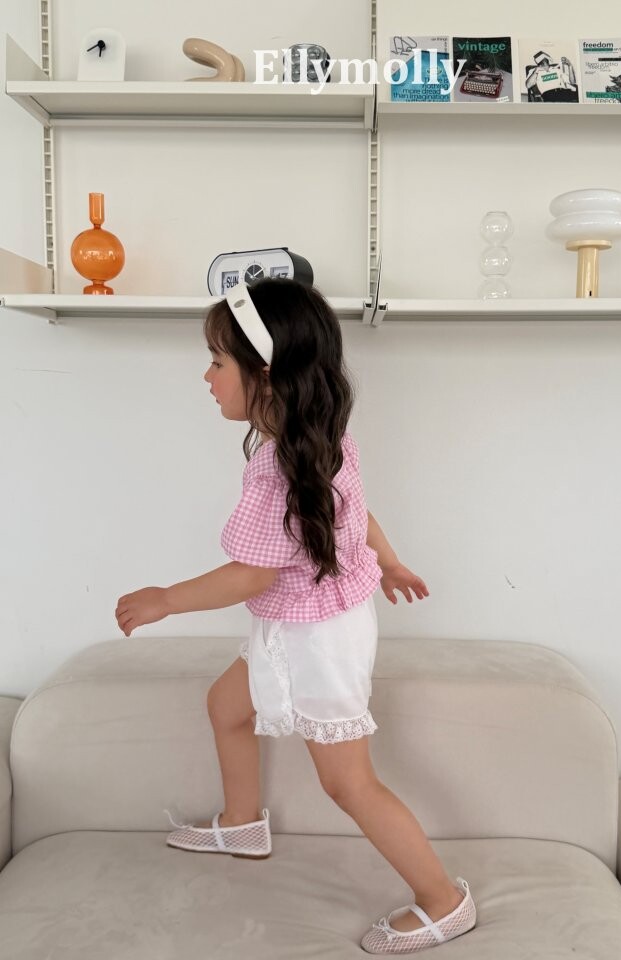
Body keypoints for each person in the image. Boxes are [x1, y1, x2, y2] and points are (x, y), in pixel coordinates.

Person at [114, 278, 477, 954]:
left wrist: (166, 598)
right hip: (303, 620)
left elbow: (252, 573)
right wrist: (389, 561)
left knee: (348, 782)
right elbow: (354, 514)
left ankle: (443, 900)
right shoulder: (319, 442)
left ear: (265, 374)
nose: (206, 377)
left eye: (217, 362)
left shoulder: (277, 472)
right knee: (226, 705)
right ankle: (242, 823)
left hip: (320, 638)